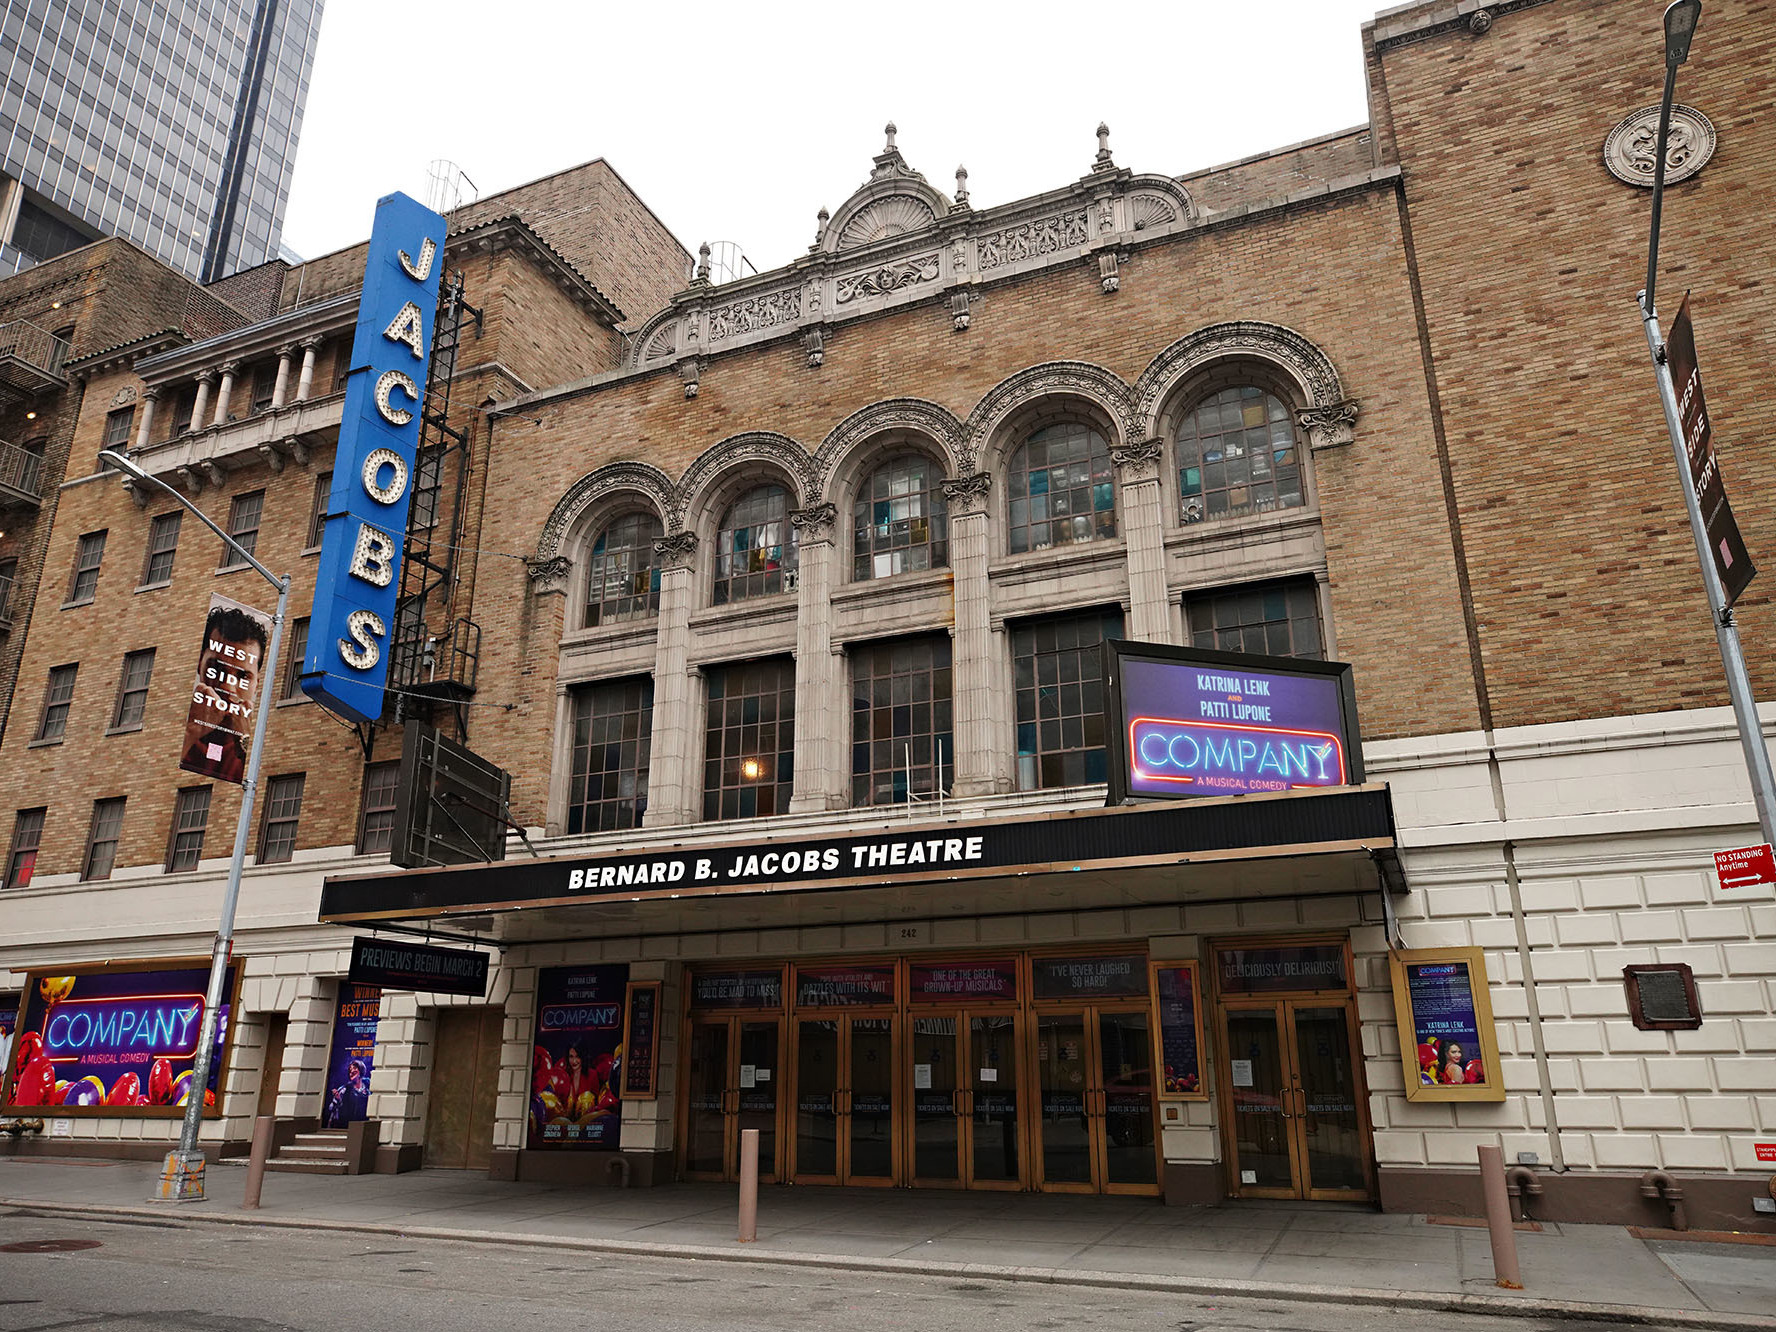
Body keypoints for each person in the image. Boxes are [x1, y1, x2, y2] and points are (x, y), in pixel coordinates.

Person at [180, 603, 269, 784]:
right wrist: (192, 731)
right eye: (216, 668)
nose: (228, 687)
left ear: (257, 683)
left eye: (243, 675)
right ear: (199, 665)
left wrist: (243, 740)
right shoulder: (176, 725)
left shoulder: (262, 742)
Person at [325, 1059, 371, 1127]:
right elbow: (332, 1109)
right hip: (346, 1126)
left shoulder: (367, 1091)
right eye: (350, 1070)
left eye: (355, 1068)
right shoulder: (344, 1089)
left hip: (362, 1126)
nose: (351, 1071)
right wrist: (338, 1100)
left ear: (361, 1071)